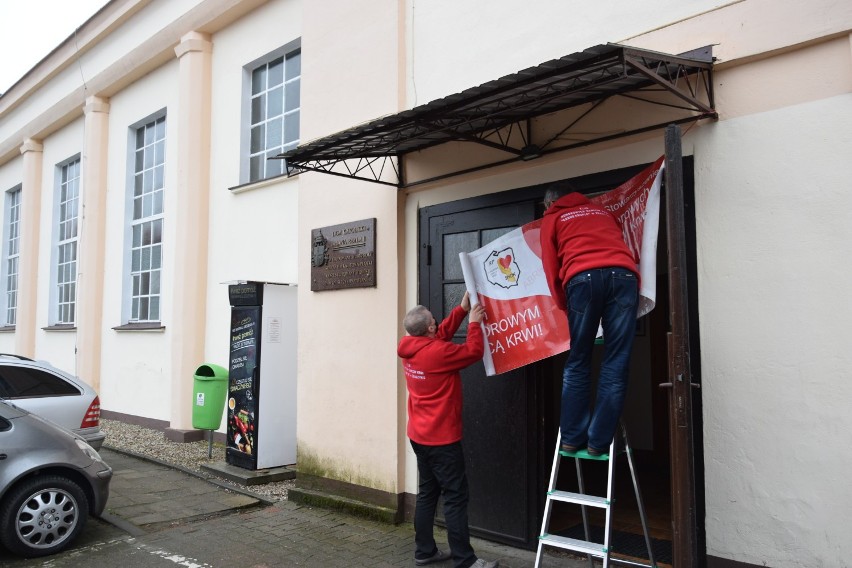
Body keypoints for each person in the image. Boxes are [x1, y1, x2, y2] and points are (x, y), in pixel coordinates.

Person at [398, 292, 499, 568]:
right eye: (434, 319)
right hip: (442, 439)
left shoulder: (411, 346)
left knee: (428, 492)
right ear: (428, 328)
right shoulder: (438, 352)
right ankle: (465, 561)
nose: (437, 322)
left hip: (419, 435)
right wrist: (475, 323)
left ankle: (424, 551)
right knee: (455, 497)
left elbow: (440, 334)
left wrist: (463, 309)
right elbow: (473, 351)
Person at [539, 187, 639, 456]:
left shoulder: (553, 218)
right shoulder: (602, 212)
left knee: (579, 360)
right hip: (624, 278)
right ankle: (598, 443)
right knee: (616, 361)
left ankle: (571, 438)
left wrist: (565, 304)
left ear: (549, 203)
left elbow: (550, 266)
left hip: (583, 280)